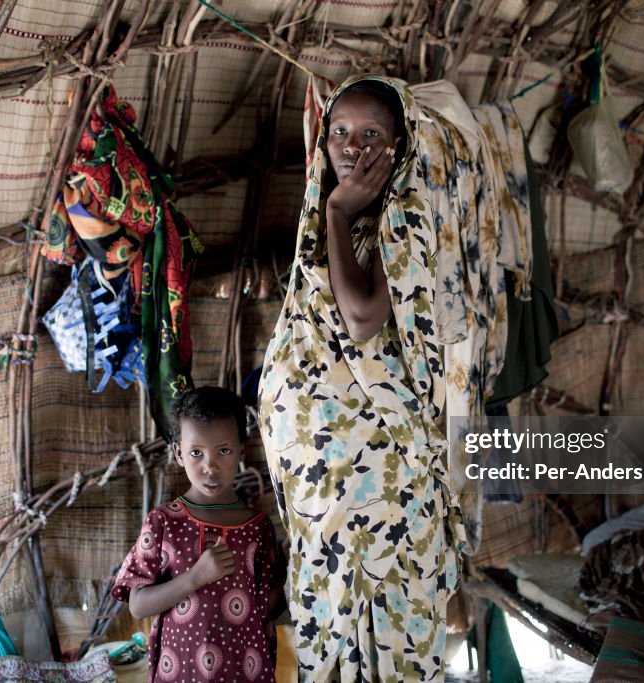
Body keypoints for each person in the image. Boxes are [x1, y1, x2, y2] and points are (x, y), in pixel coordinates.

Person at [258, 75, 467, 682]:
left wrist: (338, 209)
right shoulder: (329, 219)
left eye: (371, 133)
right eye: (341, 132)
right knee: (332, 625)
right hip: (330, 494)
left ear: (399, 146)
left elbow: (362, 318)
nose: (353, 146)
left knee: (383, 630)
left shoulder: (404, 215)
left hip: (379, 482)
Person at [112, 386, 285, 682]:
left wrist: (293, 566)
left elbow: (271, 606)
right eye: (196, 452)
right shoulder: (164, 522)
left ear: (241, 451)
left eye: (224, 451)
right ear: (179, 453)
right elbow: (138, 605)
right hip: (181, 672)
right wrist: (195, 577)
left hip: (244, 672)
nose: (210, 466)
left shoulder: (257, 527)